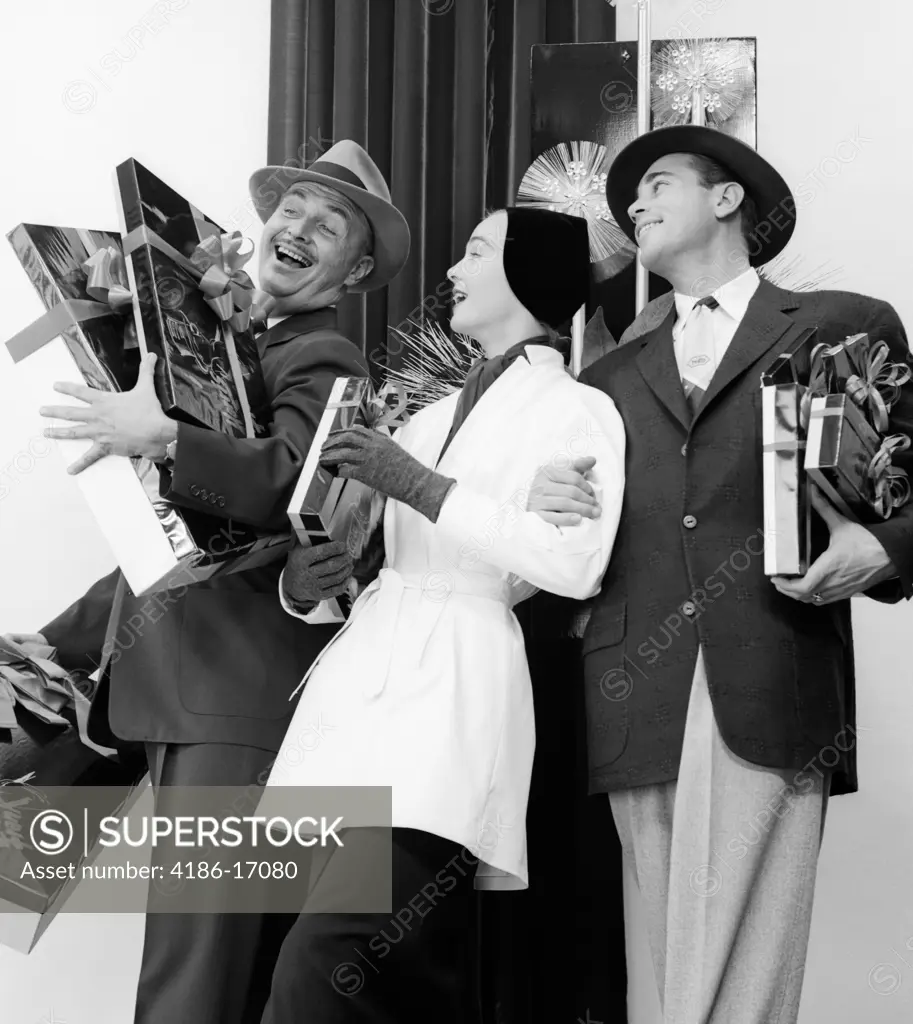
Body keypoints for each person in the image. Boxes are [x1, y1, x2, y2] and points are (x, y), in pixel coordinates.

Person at [6, 140, 411, 1024]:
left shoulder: (326, 352)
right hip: (153, 690)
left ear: (359, 265)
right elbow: (173, 547)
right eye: (290, 211)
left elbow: (291, 478)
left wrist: (162, 440)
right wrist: (63, 641)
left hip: (234, 706)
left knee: (197, 980)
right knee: (174, 958)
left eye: (329, 223)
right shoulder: (232, 343)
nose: (298, 228)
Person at [532, 124, 913, 1024]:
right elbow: (581, 534)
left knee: (742, 950)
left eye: (657, 183)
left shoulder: (841, 324)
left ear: (728, 197)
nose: (634, 204)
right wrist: (547, 496)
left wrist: (885, 548)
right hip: (634, 687)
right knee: (661, 961)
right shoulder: (606, 375)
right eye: (629, 198)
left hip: (772, 669)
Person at [257, 207, 627, 1024]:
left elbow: (572, 562)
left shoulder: (576, 410)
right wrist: (311, 584)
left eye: (475, 252)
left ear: (528, 276)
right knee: (390, 978)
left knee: (331, 964)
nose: (452, 271)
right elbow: (379, 568)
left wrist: (418, 485)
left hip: (450, 703)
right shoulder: (423, 420)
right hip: (354, 706)